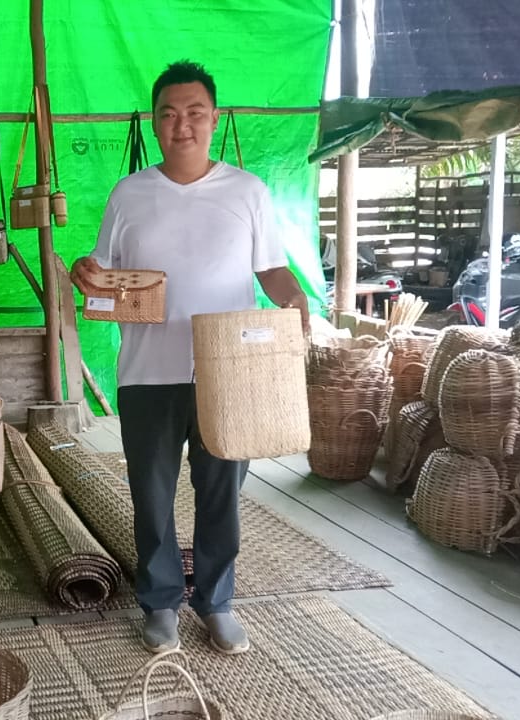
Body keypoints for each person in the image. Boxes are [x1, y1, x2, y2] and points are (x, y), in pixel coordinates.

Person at [71, 60, 309, 655]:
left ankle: (217, 601)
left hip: (227, 373)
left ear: (214, 118)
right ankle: (159, 605)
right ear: (154, 123)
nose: (183, 125)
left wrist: (295, 300)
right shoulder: (130, 194)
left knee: (221, 492)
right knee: (151, 496)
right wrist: (84, 273)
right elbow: (103, 274)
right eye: (169, 114)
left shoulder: (246, 190)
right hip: (147, 372)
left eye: (194, 113)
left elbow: (271, 270)